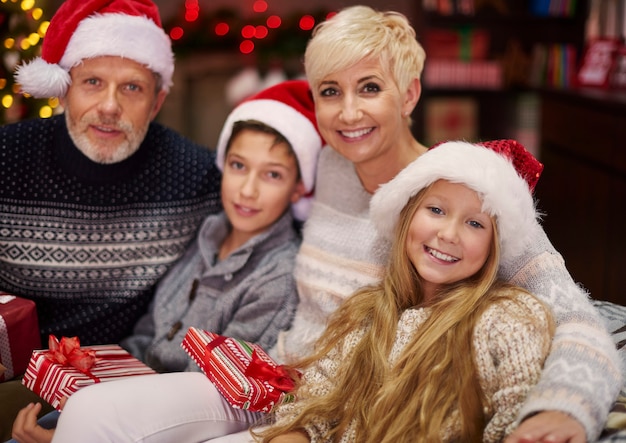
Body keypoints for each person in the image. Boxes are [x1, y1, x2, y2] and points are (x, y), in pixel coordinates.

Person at [30, 5, 626, 443]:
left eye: (370, 88)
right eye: (329, 92)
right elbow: (252, 179)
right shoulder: (330, 160)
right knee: (91, 415)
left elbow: (580, 319)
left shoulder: (461, 197)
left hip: (353, 407)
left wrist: (564, 408)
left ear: (410, 92)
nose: (347, 112)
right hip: (268, 376)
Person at [10, 78, 323, 443]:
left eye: (272, 175)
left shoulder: (278, 276)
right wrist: (94, 374)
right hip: (124, 393)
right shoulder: (203, 236)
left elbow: (216, 397)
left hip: (168, 417)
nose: (248, 189)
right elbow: (148, 332)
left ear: (299, 187)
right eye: (239, 166)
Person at [0, 0, 221, 439]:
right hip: (18, 375)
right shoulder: (8, 158)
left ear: (157, 102)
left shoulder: (197, 175)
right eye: (93, 82)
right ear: (64, 89)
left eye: (132, 88)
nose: (109, 106)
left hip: (129, 386)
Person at [261, 139, 556, 443]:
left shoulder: (508, 317)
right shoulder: (367, 312)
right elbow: (315, 410)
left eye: (474, 223)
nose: (448, 234)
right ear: (408, 214)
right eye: (436, 209)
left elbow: (521, 419)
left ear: (494, 245)